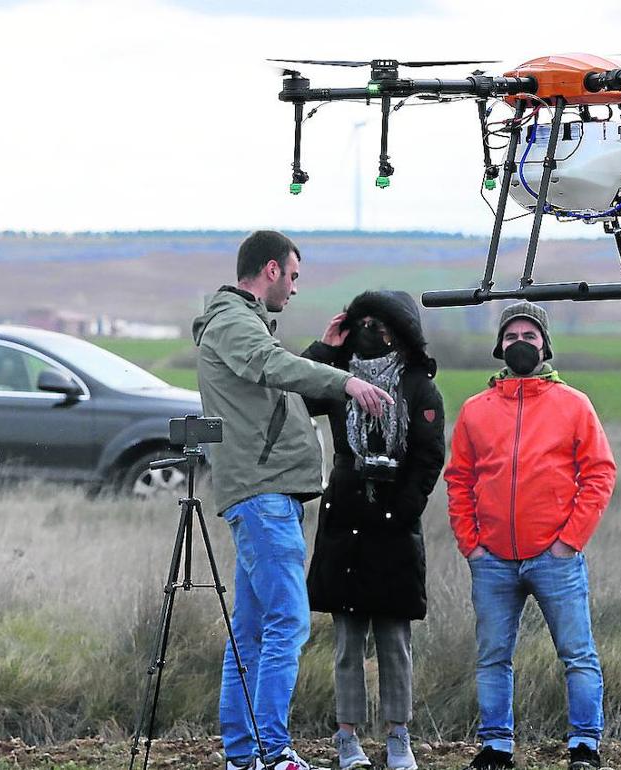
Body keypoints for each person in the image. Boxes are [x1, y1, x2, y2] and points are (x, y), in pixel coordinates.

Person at [191, 231, 394, 770]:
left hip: (264, 494)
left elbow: (277, 378)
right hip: (262, 495)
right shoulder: (235, 323)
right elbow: (274, 367)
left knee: (253, 633)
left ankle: (243, 756)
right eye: (295, 276)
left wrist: (326, 352)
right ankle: (272, 752)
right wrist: (347, 382)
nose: (296, 289)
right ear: (273, 270)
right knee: (288, 622)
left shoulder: (240, 324)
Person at [443, 302, 617, 770]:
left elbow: (599, 473)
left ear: (545, 345)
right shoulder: (476, 410)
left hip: (554, 557)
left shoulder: (573, 404)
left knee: (577, 655)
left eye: (530, 335)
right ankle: (496, 746)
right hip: (492, 559)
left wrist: (569, 541)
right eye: (512, 336)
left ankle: (584, 745)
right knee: (493, 657)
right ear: (499, 345)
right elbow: (458, 478)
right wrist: (471, 544)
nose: (521, 343)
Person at [302, 291, 446, 770]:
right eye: (362, 322)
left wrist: (401, 512)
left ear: (401, 330)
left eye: (382, 324)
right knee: (346, 641)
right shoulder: (337, 380)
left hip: (395, 523)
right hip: (344, 517)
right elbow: (295, 396)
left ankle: (398, 737)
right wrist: (325, 349)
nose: (371, 332)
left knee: (394, 639)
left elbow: (428, 457)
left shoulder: (419, 386)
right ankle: (347, 739)